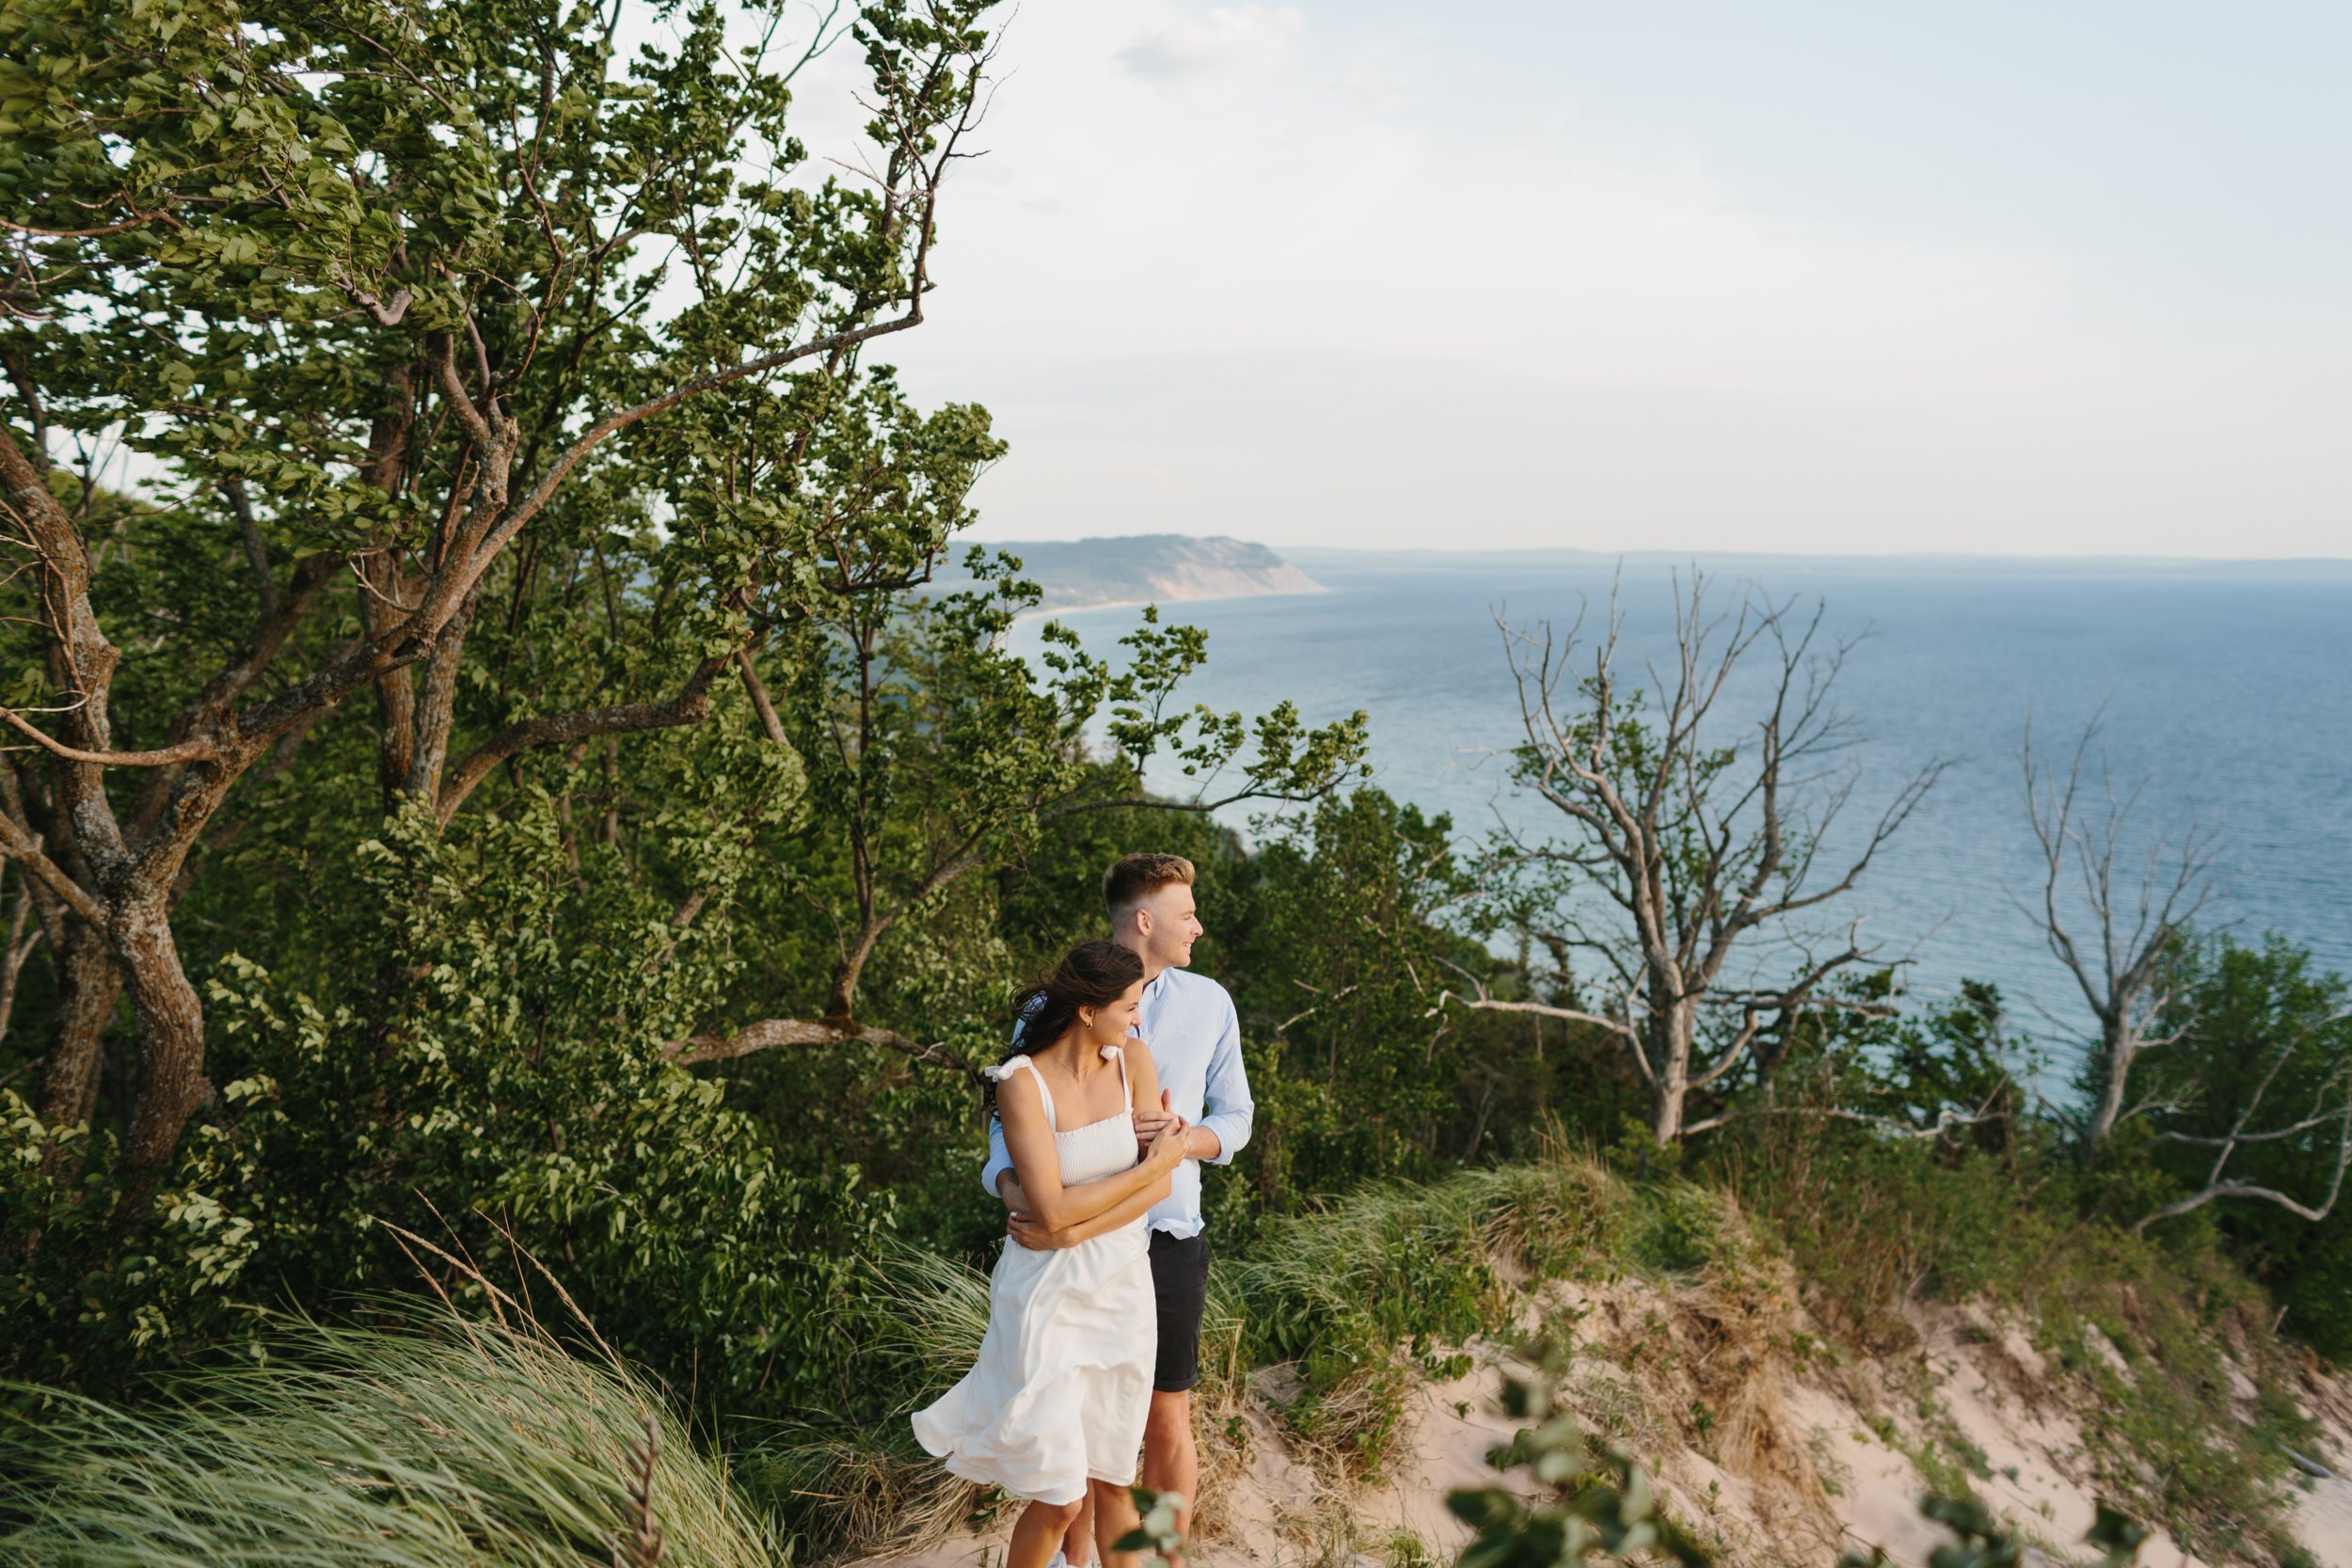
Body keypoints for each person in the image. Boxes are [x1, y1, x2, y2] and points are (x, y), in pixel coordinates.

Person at [983, 853, 1254, 1567]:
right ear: (1145, 920)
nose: (1198, 924)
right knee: (1079, 1442)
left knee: (1166, 1418)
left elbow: (1238, 1118)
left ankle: (1163, 1559)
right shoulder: (1056, 1003)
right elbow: (1007, 1119)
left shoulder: (1210, 1003)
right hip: (1063, 1246)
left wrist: (1180, 1142)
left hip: (1166, 1236)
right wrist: (1009, 1185)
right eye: (1186, 913)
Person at [913, 940, 1191, 1568]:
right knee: (1062, 1496)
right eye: (1130, 1004)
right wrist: (1078, 1218)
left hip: (1122, 1289)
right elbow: (1052, 1208)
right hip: (1046, 1296)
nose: (1139, 1017)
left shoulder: (1135, 1060)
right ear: (1088, 1011)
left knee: (1116, 1478)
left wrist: (1079, 1223)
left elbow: (1159, 1186)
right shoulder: (1020, 1083)